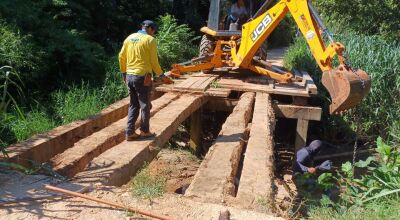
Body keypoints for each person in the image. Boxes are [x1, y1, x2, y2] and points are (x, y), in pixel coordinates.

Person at [119, 20, 163, 141]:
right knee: (145, 105)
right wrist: (161, 75)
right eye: (154, 31)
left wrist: (124, 72)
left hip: (130, 75)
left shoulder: (130, 37)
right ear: (150, 29)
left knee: (133, 104)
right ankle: (144, 131)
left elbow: (121, 56)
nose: (154, 33)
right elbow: (154, 62)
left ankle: (130, 132)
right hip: (143, 77)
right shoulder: (150, 40)